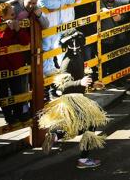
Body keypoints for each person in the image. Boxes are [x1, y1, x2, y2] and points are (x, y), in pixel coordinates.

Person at [40, 29, 107, 169]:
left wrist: (92, 83)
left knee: (82, 126)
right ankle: (83, 160)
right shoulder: (68, 61)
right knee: (90, 125)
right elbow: (61, 87)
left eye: (77, 43)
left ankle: (56, 136)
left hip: (77, 97)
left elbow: (79, 78)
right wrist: (80, 83)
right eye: (72, 43)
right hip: (72, 99)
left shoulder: (78, 56)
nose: (75, 45)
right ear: (68, 45)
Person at [0, 2, 28, 124]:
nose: (14, 14)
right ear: (3, 16)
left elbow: (25, 41)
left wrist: (18, 30)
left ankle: (19, 114)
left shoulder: (16, 24)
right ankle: (8, 117)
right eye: (11, 13)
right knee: (3, 95)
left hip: (14, 66)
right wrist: (10, 30)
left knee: (17, 91)